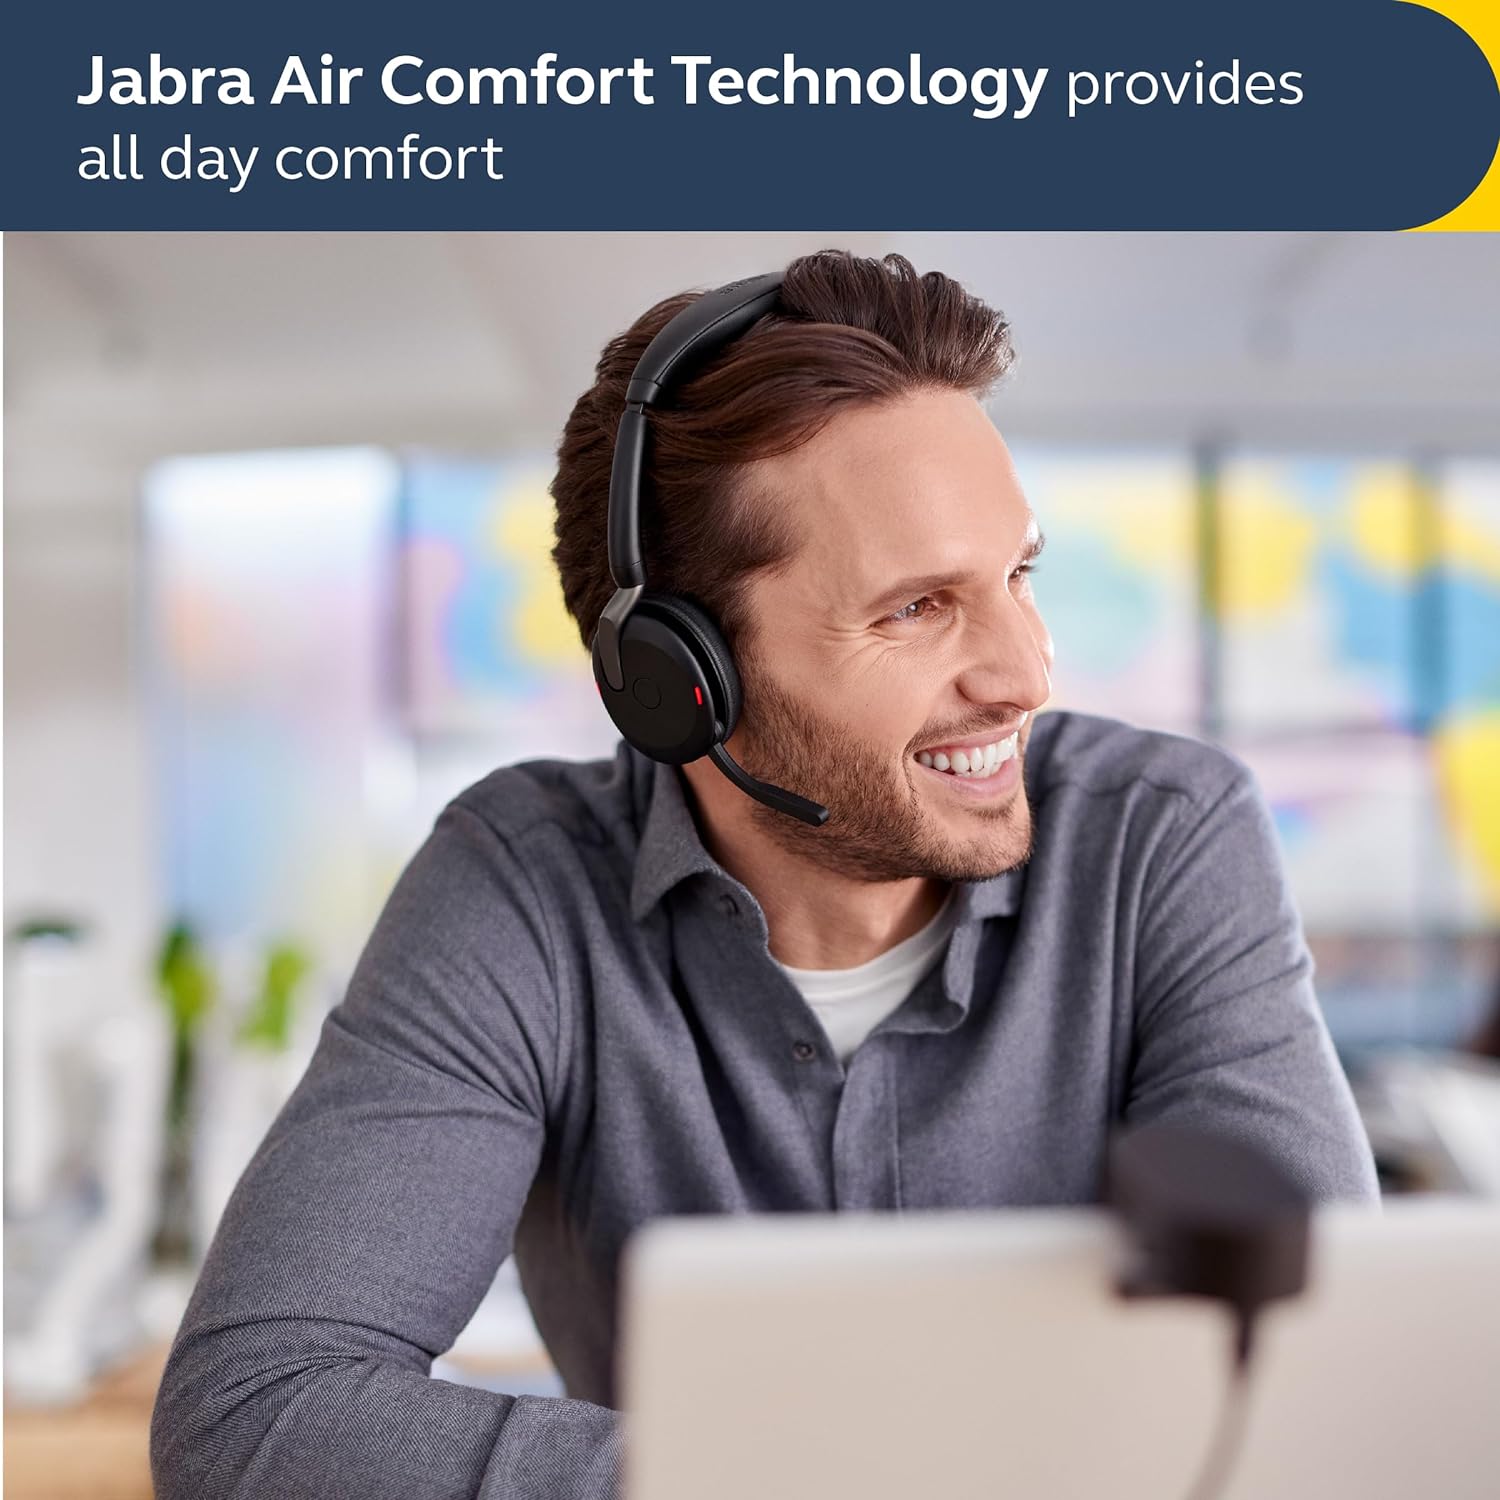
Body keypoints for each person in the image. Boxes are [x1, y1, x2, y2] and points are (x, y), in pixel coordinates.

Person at [150, 250, 1378, 1500]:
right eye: (917, 609)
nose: (1023, 673)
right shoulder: (522, 888)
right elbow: (257, 1414)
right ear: (683, 680)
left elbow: (1322, 1374)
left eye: (1018, 576)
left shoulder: (1161, 838)